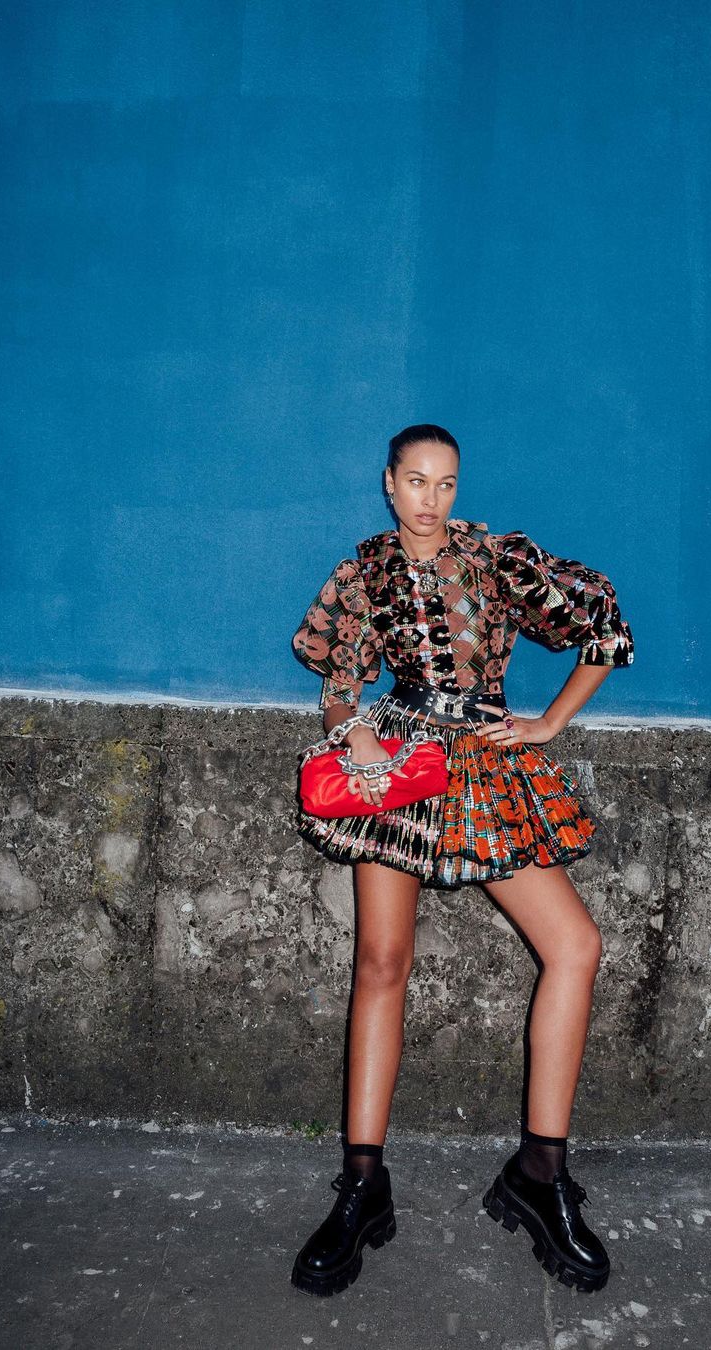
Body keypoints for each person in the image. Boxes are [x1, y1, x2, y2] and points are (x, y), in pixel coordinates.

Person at [289, 423, 634, 1297]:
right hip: (402, 765)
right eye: (416, 481)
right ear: (389, 483)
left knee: (576, 946)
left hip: (485, 763)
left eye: (445, 484)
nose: (431, 500)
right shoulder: (365, 572)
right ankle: (362, 1187)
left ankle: (540, 1174)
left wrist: (549, 722)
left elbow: (601, 620)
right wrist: (356, 733)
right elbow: (339, 685)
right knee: (381, 962)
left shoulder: (496, 560)